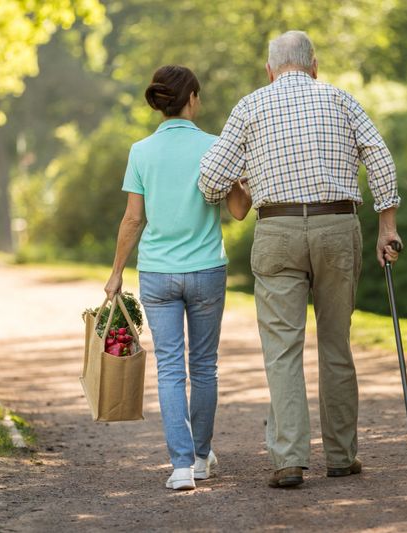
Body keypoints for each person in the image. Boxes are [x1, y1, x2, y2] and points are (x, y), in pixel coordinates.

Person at [199, 31, 402, 488]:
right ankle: (340, 455)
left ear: (270, 70)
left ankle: (289, 459)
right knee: (336, 343)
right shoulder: (341, 99)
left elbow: (211, 179)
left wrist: (246, 182)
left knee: (282, 350)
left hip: (277, 230)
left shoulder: (250, 105)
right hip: (337, 228)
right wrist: (387, 225)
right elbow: (380, 157)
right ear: (314, 65)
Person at [104, 65, 251, 491]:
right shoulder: (216, 147)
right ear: (191, 99)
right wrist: (239, 175)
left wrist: (115, 273)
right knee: (204, 367)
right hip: (207, 270)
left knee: (170, 370)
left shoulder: (141, 151)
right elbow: (239, 210)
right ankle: (203, 458)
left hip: (157, 274)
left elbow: (133, 220)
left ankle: (182, 467)